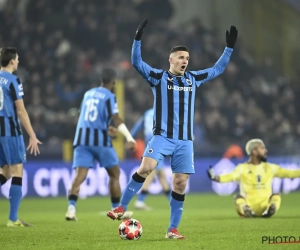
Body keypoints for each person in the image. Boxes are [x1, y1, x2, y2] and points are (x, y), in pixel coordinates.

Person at [107, 19, 238, 239]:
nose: (185, 61)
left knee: (180, 183)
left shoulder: (193, 79)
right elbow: (137, 62)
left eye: (187, 58)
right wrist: (137, 39)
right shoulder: (159, 77)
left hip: (185, 141)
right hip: (162, 137)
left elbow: (217, 69)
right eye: (181, 57)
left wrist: (229, 48)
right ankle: (121, 207)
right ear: (171, 60)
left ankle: (172, 229)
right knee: (146, 167)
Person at [65, 68, 136, 221]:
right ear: (114, 81)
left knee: (79, 176)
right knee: (114, 174)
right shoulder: (110, 96)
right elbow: (116, 119)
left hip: (82, 139)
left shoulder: (88, 94)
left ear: (101, 80)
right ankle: (116, 209)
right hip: (101, 142)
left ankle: (71, 209)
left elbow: (88, 116)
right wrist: (130, 138)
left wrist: (106, 127)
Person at [0, 47, 42, 227]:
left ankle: (13, 218)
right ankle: (13, 219)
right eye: (17, 59)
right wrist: (32, 135)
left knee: (5, 172)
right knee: (17, 171)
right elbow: (21, 111)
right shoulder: (13, 80)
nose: (18, 62)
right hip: (9, 131)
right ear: (11, 61)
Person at [207, 139, 300, 218]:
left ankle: (265, 209)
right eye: (262, 148)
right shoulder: (243, 168)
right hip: (253, 204)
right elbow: (230, 176)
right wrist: (215, 177)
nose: (266, 150)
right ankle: (261, 208)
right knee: (239, 198)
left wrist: (215, 178)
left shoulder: (269, 167)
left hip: (261, 204)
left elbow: (290, 173)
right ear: (254, 151)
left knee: (239, 199)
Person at [130, 108, 171, 210]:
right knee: (151, 173)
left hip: (148, 143)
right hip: (157, 142)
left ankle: (172, 201)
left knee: (161, 175)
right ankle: (140, 201)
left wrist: (130, 138)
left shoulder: (147, 113)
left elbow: (137, 126)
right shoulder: (163, 112)